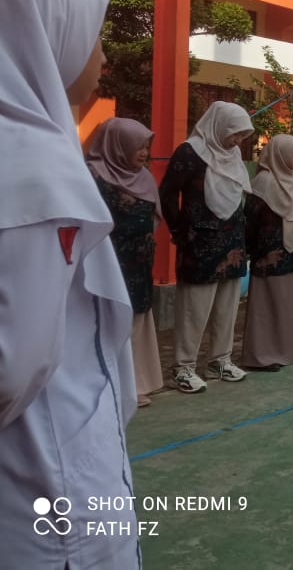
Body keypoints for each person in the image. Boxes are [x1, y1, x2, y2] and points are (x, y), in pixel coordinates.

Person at [0, 0, 140, 566]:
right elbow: (13, 368)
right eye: (93, 34)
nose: (102, 55)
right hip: (48, 482)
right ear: (45, 29)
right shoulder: (31, 163)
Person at [159, 100, 253, 393]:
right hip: (199, 243)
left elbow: (237, 194)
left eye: (242, 135)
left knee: (227, 306)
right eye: (235, 133)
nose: (238, 140)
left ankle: (219, 360)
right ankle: (183, 367)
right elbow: (167, 193)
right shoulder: (190, 152)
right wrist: (179, 230)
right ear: (219, 126)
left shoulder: (233, 154)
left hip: (232, 241)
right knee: (194, 309)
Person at [86, 117, 164, 408]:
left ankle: (136, 383)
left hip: (139, 261)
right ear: (119, 145)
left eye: (146, 147)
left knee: (136, 319)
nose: (144, 153)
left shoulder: (144, 177)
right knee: (106, 319)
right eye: (138, 147)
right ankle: (106, 384)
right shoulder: (93, 174)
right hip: (107, 261)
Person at [241, 134, 293, 370]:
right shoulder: (263, 182)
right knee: (267, 306)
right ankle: (262, 356)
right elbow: (250, 220)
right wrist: (254, 249)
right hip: (269, 253)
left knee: (292, 302)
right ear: (280, 154)